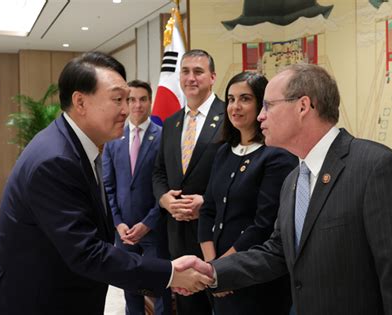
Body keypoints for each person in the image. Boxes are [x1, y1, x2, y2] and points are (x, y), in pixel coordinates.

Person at [0, 52, 212, 315]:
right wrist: (170, 273)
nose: (127, 109)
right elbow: (86, 253)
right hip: (33, 299)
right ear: (80, 102)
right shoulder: (55, 160)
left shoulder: (77, 145)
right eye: (118, 99)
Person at [185, 63, 392, 314]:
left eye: (269, 105)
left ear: (303, 106)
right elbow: (278, 251)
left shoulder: (377, 169)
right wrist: (213, 271)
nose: (260, 116)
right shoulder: (294, 180)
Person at [198, 71, 297, 314]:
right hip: (217, 275)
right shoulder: (222, 152)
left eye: (245, 99)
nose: (235, 106)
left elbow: (262, 225)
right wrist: (213, 267)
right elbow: (208, 210)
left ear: (262, 105)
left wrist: (223, 269)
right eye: (231, 99)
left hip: (255, 278)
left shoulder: (276, 155)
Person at [152, 49, 225, 314]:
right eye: (185, 71)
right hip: (177, 234)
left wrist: (206, 202)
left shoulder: (229, 116)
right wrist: (165, 200)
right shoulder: (170, 123)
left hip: (216, 234)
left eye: (198, 71)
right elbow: (159, 172)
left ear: (212, 76)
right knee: (187, 305)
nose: (190, 78)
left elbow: (239, 173)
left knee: (220, 303)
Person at [102, 79, 172, 315]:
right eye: (131, 99)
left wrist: (148, 223)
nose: (137, 105)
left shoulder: (163, 137)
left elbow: (165, 186)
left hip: (153, 227)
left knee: (160, 285)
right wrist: (118, 223)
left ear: (150, 102)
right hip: (124, 231)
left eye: (143, 99)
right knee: (129, 285)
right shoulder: (113, 138)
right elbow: (108, 186)